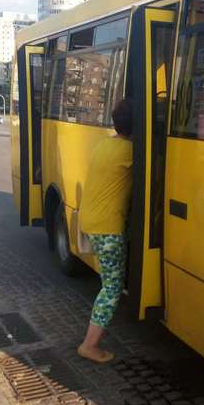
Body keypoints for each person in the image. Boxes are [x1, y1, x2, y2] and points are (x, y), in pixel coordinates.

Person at [77, 98, 134, 363]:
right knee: (111, 288)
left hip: (91, 220)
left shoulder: (105, 144)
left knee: (107, 282)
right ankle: (89, 345)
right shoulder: (130, 152)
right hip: (107, 228)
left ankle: (91, 340)